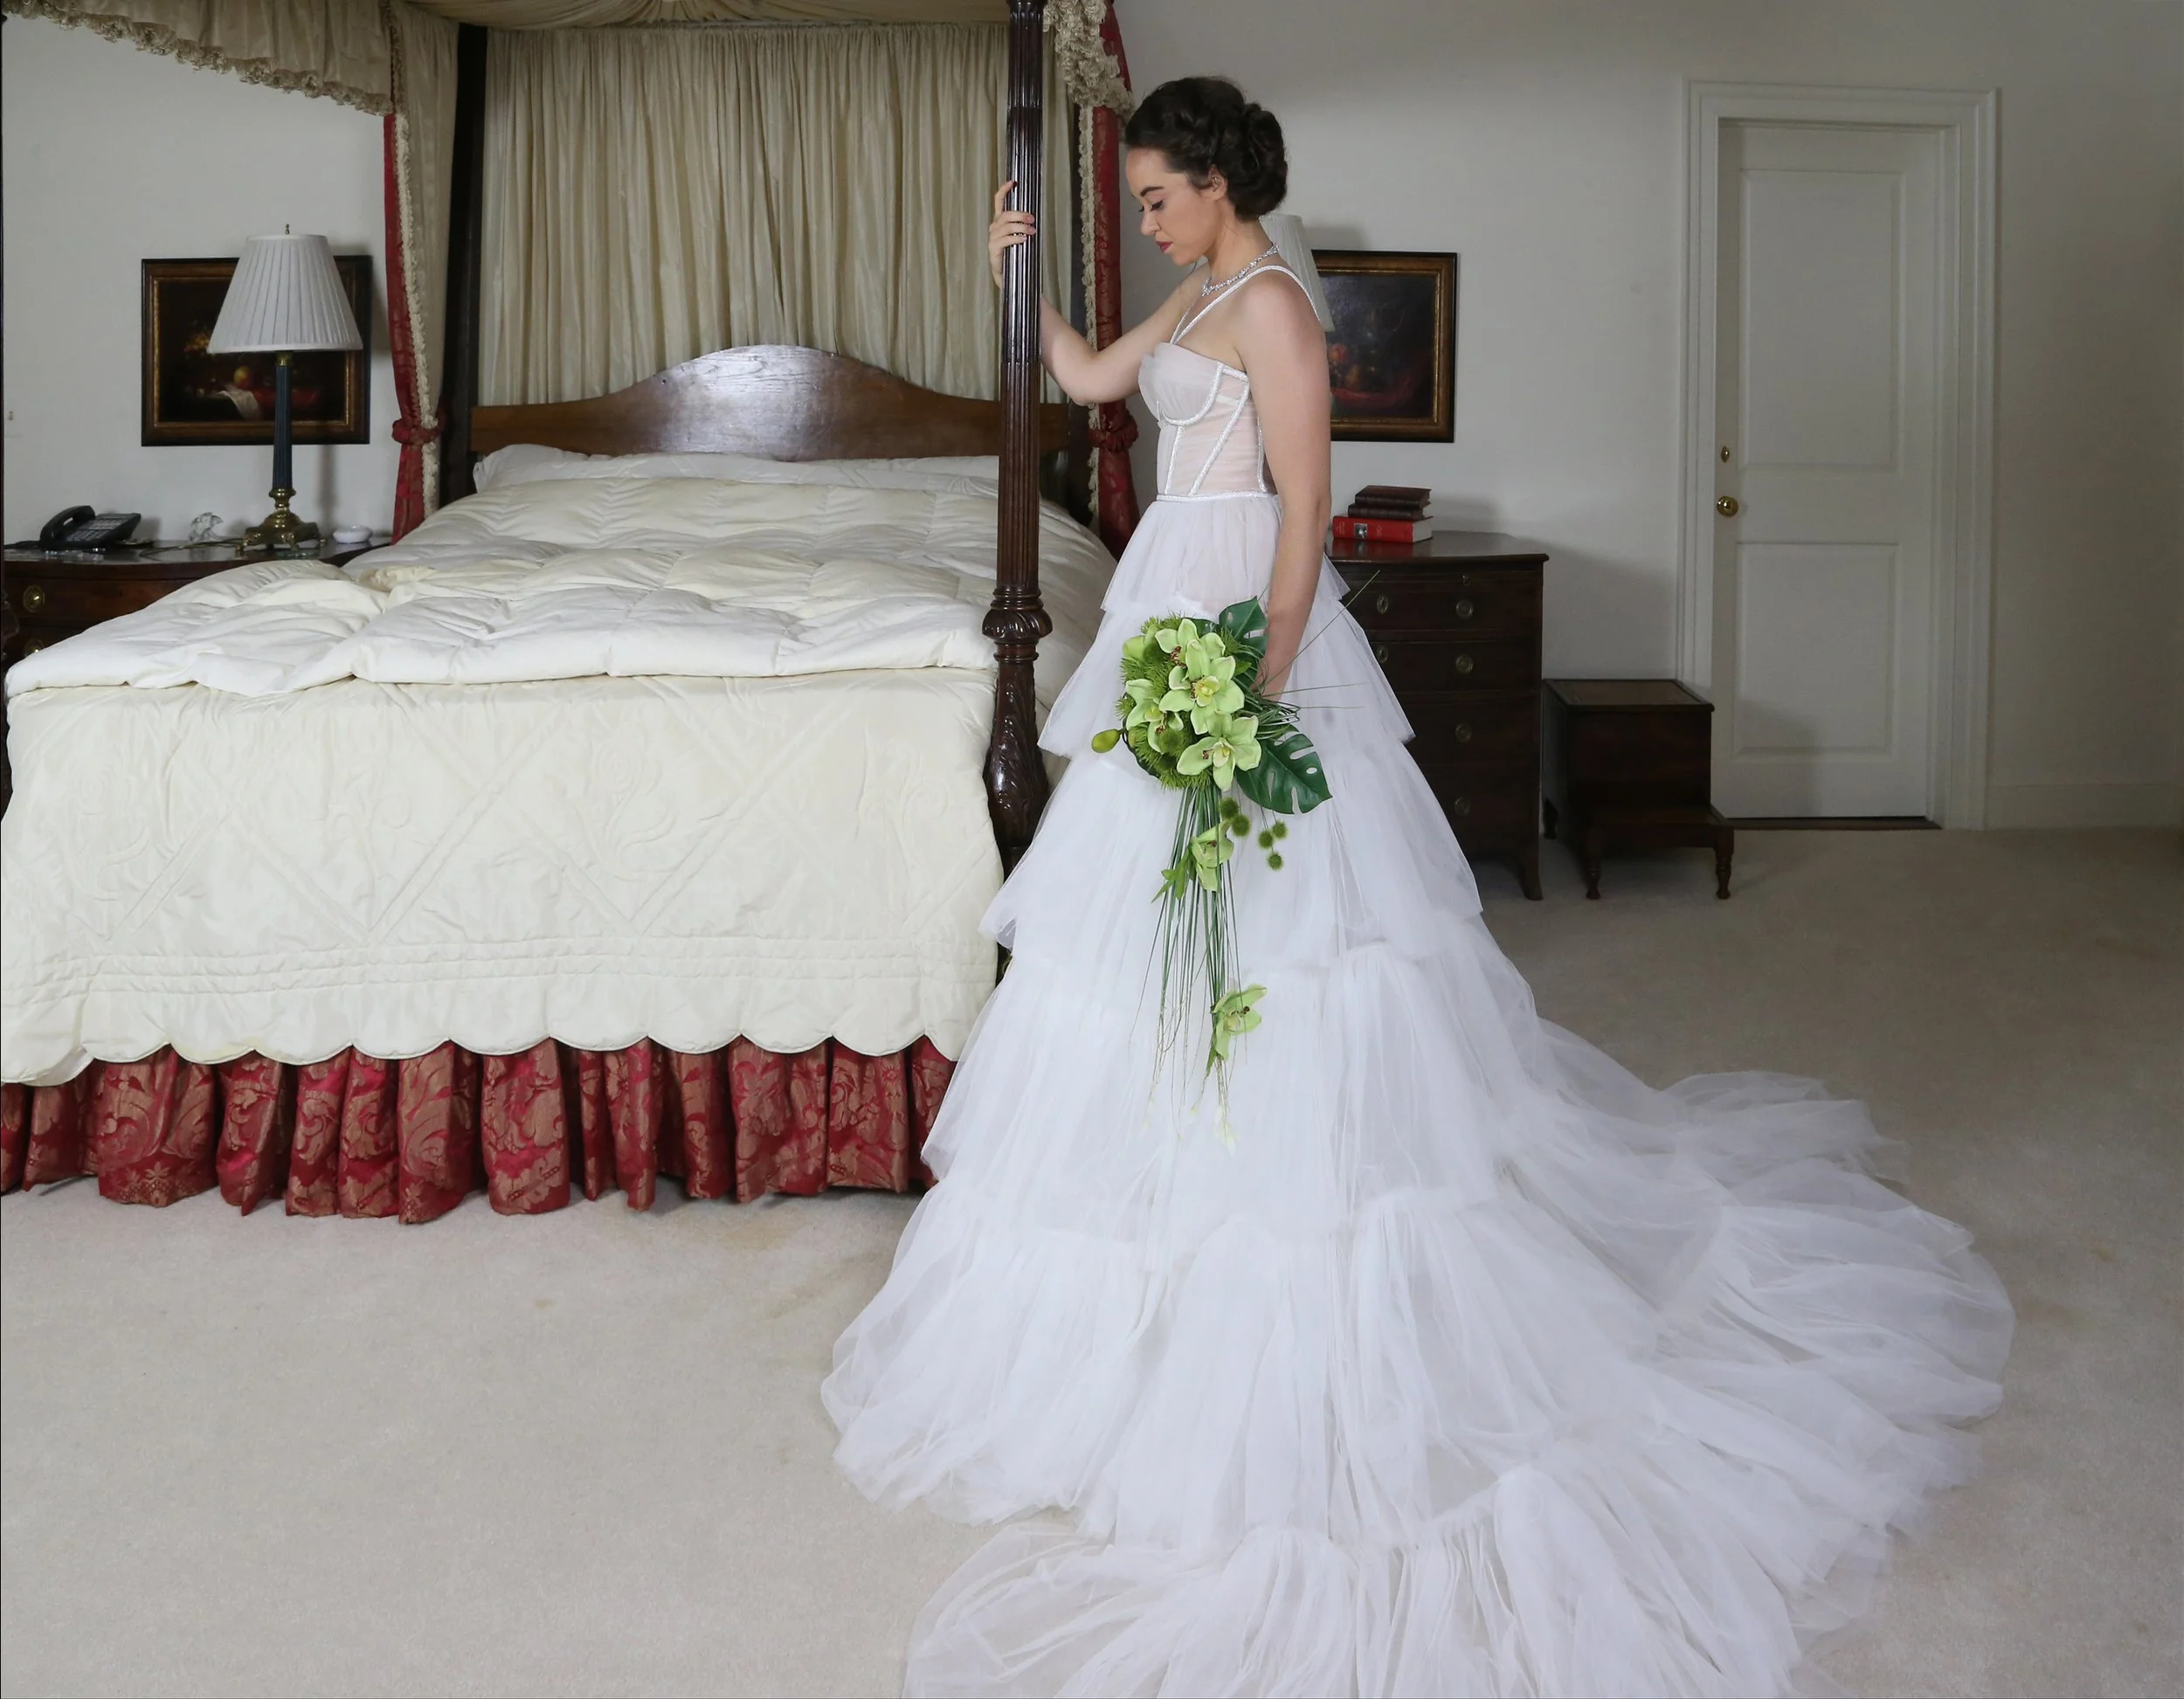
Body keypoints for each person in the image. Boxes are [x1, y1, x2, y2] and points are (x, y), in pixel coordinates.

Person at [824, 75, 2012, 1698]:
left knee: (1306, 948)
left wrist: (1256, 688)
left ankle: (1301, 1225)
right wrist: (1018, 282)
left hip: (1249, 628)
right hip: (1169, 603)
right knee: (1134, 948)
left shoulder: (1285, 314)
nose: (1150, 213)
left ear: (1226, 182)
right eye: (1146, 196)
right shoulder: (1199, 289)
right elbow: (1099, 380)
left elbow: (1307, 513)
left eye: (1163, 192)